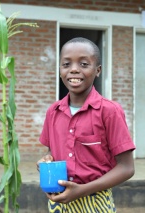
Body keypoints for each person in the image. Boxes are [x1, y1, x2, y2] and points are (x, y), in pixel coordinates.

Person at [37, 37, 136, 212]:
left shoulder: (109, 111)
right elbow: (53, 150)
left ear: (97, 70)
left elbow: (127, 168)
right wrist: (47, 160)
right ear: (60, 70)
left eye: (83, 64)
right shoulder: (53, 112)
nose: (74, 70)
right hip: (58, 201)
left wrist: (82, 190)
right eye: (66, 64)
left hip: (95, 201)